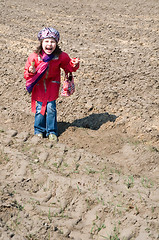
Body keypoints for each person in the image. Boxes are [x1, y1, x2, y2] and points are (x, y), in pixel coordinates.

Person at [24, 27, 80, 142]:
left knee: (51, 108)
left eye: (52, 41)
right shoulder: (34, 57)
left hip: (52, 85)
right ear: (41, 42)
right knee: (40, 108)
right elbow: (26, 73)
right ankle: (39, 130)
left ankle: (51, 131)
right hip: (39, 85)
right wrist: (31, 71)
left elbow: (68, 66)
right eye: (46, 41)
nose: (49, 44)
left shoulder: (60, 56)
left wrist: (74, 64)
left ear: (56, 43)